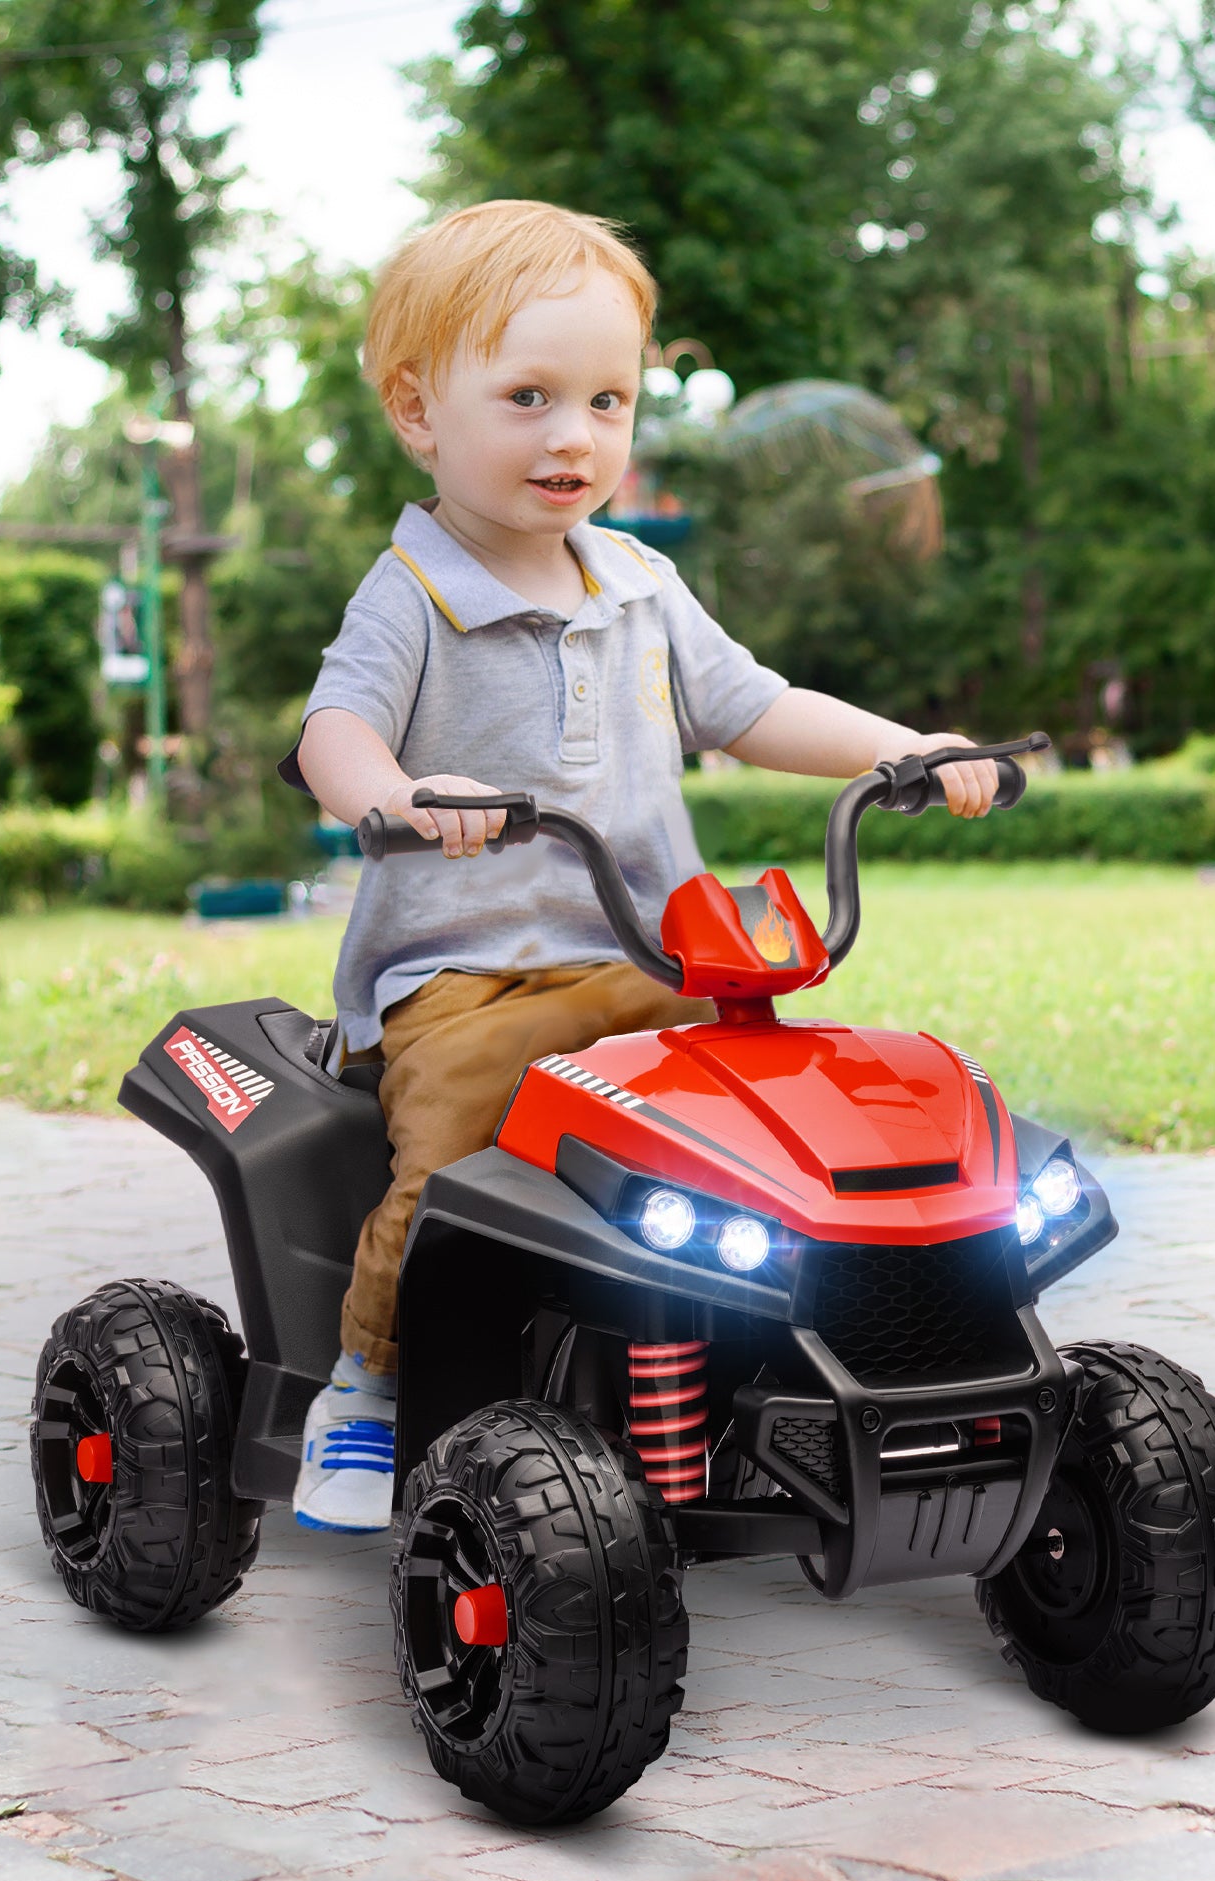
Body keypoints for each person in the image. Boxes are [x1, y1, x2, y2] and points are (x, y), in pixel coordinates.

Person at [280, 198, 999, 1533]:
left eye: (608, 401)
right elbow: (334, 729)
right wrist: (392, 791)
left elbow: (754, 703)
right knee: (448, 1152)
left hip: (652, 966)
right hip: (469, 983)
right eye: (530, 396)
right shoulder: (414, 592)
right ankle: (368, 1388)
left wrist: (908, 749)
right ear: (418, 410)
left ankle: (792, 1360)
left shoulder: (640, 587)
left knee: (781, 1126)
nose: (575, 436)